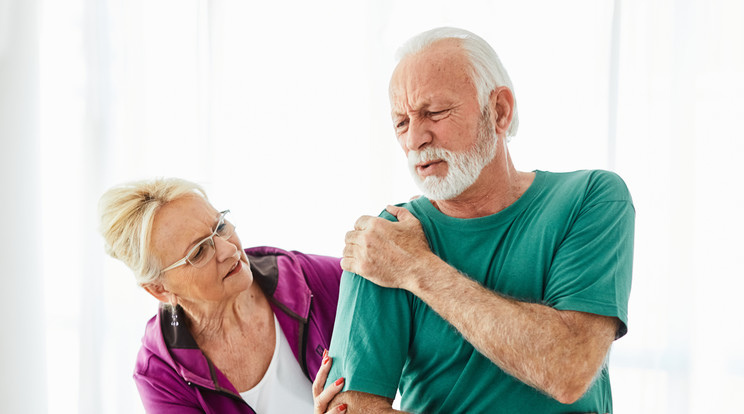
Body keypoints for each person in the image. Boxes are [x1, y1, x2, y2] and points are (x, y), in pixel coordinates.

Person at [325, 27, 635, 413]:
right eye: (401, 123)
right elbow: (353, 408)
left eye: (434, 112)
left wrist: (418, 269)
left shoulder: (590, 198)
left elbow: (568, 368)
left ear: (499, 111)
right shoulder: (385, 238)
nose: (415, 139)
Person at [99, 177, 347, 413]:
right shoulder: (159, 376)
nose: (229, 249)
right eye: (198, 252)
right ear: (160, 289)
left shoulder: (311, 280)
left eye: (220, 227)